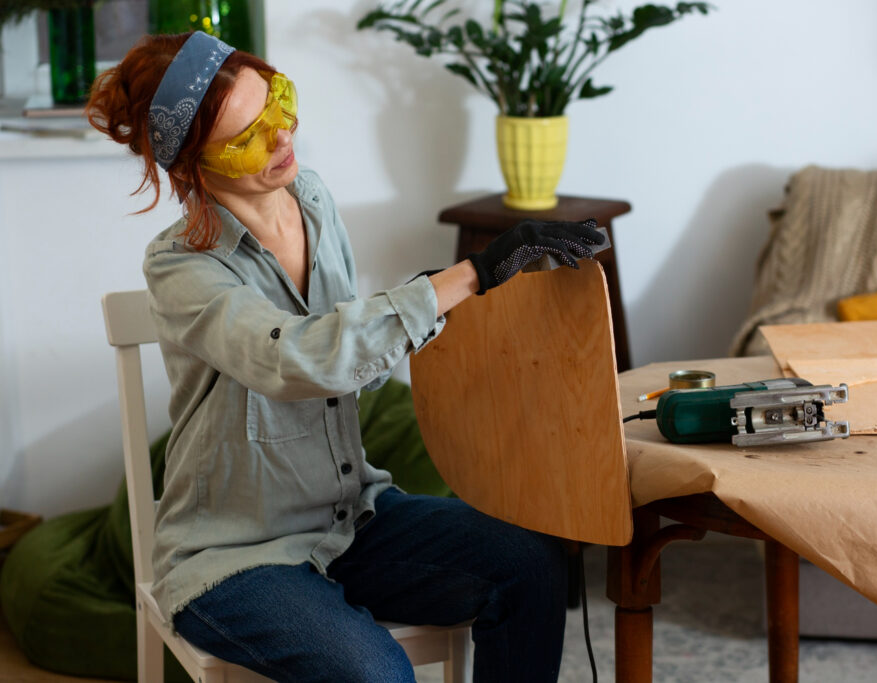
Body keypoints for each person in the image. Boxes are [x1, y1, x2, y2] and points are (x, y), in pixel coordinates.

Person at [86, 31, 602, 683]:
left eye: (278, 102)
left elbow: (357, 366)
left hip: (350, 519)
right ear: (192, 167)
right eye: (248, 137)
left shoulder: (313, 200)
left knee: (530, 564)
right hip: (234, 557)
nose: (282, 136)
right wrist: (471, 273)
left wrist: (447, 303)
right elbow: (298, 361)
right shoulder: (180, 267)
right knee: (375, 671)